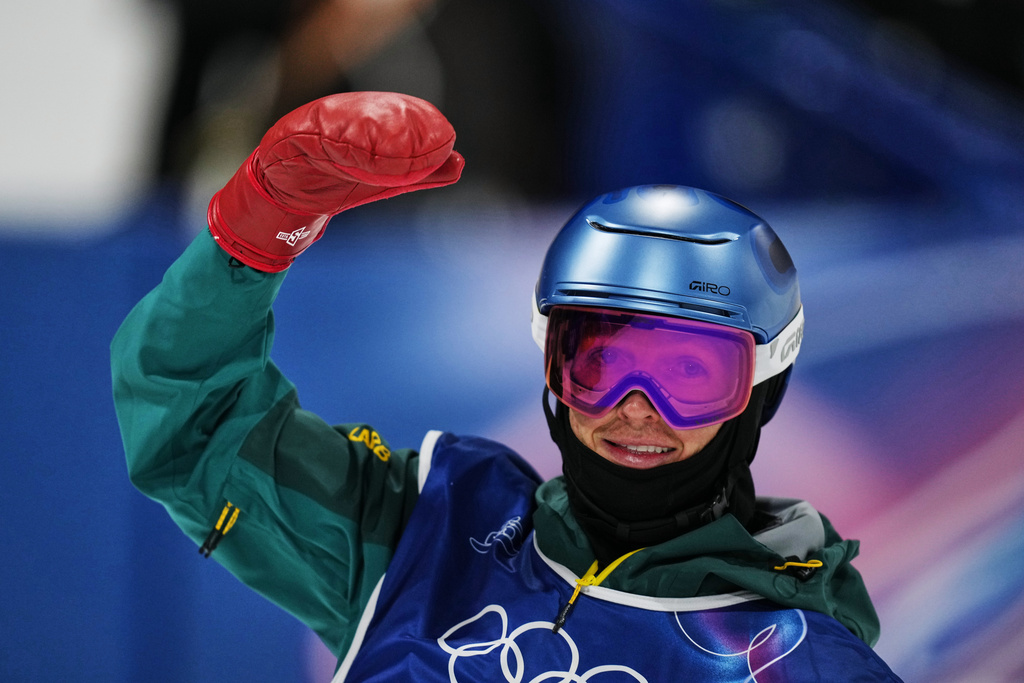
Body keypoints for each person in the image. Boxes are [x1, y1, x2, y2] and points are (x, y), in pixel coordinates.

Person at [112, 91, 902, 681]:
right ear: (552, 366)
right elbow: (191, 425)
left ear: (762, 389)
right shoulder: (428, 536)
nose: (636, 408)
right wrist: (264, 219)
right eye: (599, 363)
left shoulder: (796, 664)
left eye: (689, 375)